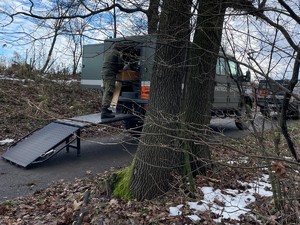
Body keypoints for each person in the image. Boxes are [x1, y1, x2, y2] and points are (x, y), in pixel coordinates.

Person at [101, 42, 128, 119]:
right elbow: (120, 66)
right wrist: (125, 67)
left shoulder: (108, 52)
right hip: (110, 74)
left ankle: (105, 109)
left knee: (106, 90)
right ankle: (104, 111)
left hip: (104, 72)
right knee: (109, 91)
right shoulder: (117, 53)